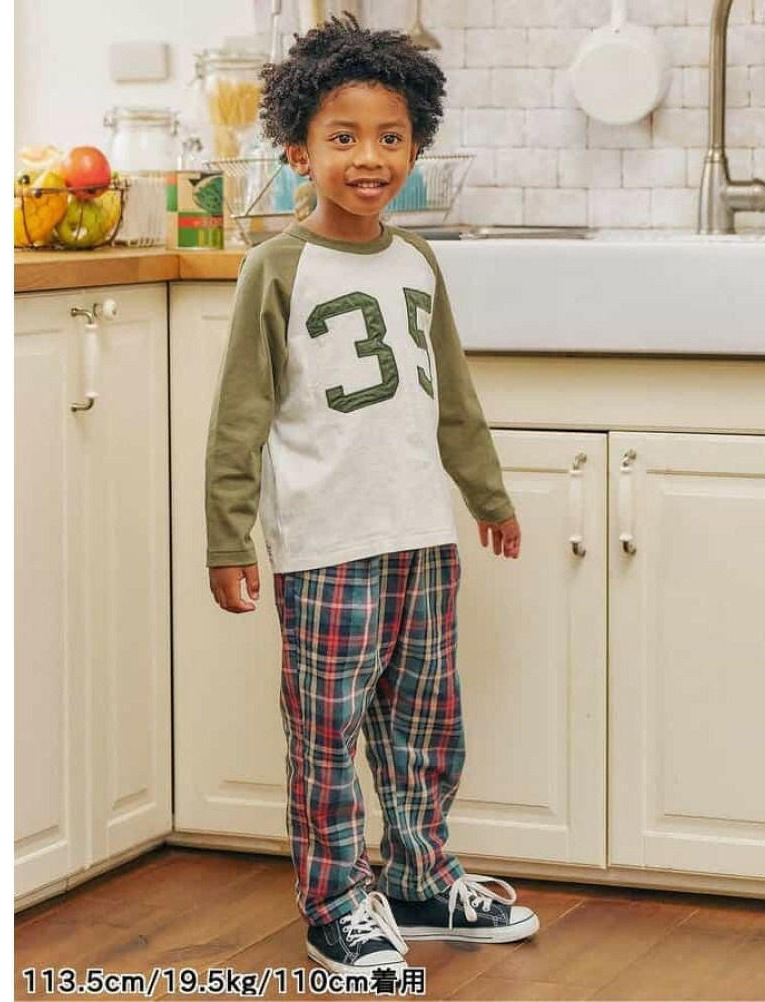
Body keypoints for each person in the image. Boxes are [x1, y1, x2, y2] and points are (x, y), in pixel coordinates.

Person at [203, 13, 539, 980]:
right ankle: (336, 903)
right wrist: (228, 537)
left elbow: (453, 396)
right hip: (325, 547)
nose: (369, 158)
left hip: (421, 538)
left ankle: (421, 878)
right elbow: (238, 416)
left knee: (425, 723)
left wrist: (487, 495)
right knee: (327, 734)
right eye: (343, 137)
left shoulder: (417, 262)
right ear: (297, 150)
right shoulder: (277, 267)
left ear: (416, 147)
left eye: (391, 137)